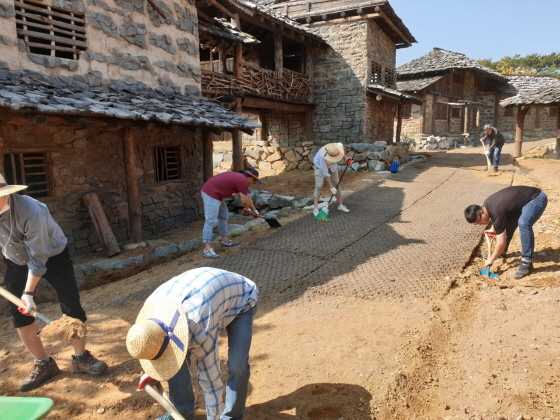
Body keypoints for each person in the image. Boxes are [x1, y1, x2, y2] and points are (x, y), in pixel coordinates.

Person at [0, 174, 107, 392]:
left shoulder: (31, 211)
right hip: (15, 259)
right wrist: (23, 299)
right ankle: (44, 363)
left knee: (71, 304)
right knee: (19, 312)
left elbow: (39, 258)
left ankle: (81, 357)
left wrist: (29, 293)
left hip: (52, 255)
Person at [126, 267, 259, 420]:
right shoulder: (150, 312)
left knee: (238, 366)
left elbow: (212, 385)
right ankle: (182, 412)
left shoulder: (199, 327)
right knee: (174, 360)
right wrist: (154, 371)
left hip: (241, 299)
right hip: (208, 296)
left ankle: (232, 417)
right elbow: (157, 343)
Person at [464, 186, 548, 279]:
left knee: (524, 224)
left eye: (479, 221)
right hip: (523, 202)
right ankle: (501, 253)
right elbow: (498, 218)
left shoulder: (497, 210)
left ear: (482, 212)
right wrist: (493, 229)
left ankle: (526, 263)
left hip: (536, 198)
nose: (480, 224)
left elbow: (501, 243)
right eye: (476, 224)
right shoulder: (487, 204)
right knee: (507, 221)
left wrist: (491, 259)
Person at [201, 169, 261, 259]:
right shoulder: (242, 181)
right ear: (250, 177)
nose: (253, 183)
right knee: (211, 221)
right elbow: (244, 201)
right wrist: (246, 208)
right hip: (210, 193)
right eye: (254, 181)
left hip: (217, 194)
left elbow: (247, 197)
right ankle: (207, 248)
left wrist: (255, 211)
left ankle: (225, 241)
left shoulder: (241, 179)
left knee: (224, 216)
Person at [312, 143, 353, 216]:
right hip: (320, 166)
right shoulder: (322, 156)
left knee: (337, 184)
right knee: (319, 185)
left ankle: (340, 205)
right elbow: (325, 174)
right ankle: (315, 209)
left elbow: (342, 153)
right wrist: (331, 187)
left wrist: (346, 159)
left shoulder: (339, 146)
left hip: (332, 166)